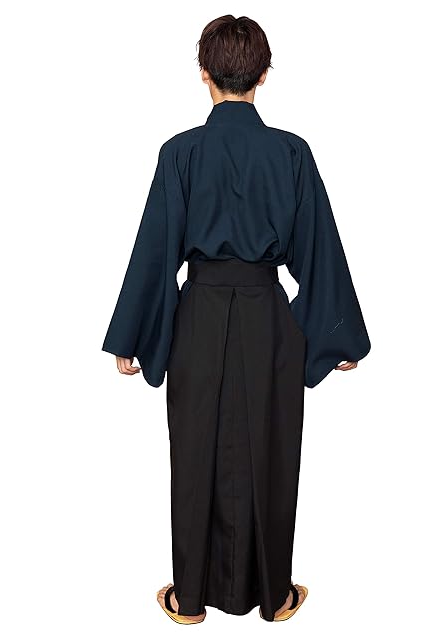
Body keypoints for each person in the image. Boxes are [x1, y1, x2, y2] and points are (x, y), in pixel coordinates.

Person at [102, 15, 371, 624]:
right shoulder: (291, 153)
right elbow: (319, 249)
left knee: (194, 452)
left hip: (198, 318)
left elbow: (156, 249)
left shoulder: (180, 153)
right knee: (272, 451)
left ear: (203, 73)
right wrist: (338, 334)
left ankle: (189, 599)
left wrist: (132, 336)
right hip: (268, 318)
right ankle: (274, 597)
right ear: (264, 74)